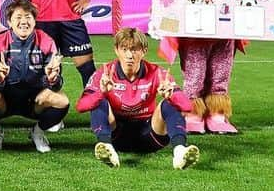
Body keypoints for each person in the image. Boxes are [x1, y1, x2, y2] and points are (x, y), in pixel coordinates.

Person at [75, 27, 200, 170]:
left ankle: (179, 152)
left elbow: (187, 107)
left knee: (169, 103)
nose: (129, 55)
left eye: (134, 49)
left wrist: (171, 96)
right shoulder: (104, 73)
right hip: (117, 136)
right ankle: (107, 149)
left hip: (150, 136)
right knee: (99, 101)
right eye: (124, 49)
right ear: (116, 50)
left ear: (144, 51)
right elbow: (81, 106)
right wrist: (101, 92)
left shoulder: (157, 73)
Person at [0, 0, 69, 153]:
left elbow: (57, 84)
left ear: (34, 21)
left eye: (28, 17)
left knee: (61, 100)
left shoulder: (46, 41)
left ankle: (38, 132)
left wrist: (52, 78)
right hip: (4, 99)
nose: (24, 22)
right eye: (18, 17)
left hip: (34, 100)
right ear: (9, 22)